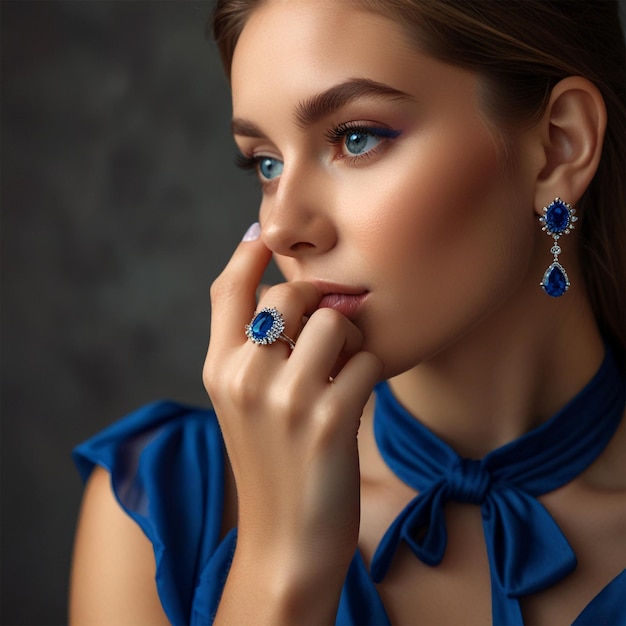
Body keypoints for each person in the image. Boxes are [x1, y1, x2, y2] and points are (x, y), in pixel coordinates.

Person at [69, 1, 625, 624]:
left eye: (355, 138)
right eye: (267, 163)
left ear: (558, 146)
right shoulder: (162, 507)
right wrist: (278, 565)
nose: (280, 226)